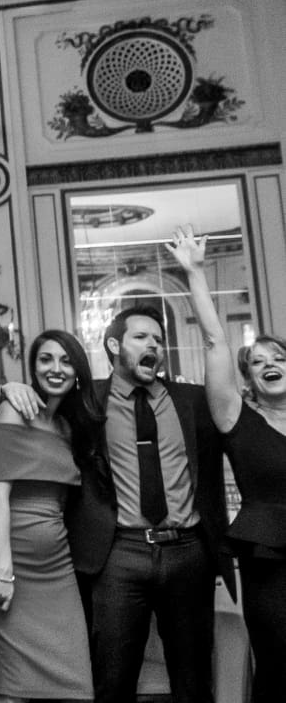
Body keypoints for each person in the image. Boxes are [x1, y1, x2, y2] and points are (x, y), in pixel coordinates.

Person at [0, 304, 232, 703]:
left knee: (193, 679)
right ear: (113, 345)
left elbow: (226, 376)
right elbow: (42, 399)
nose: (153, 345)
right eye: (141, 337)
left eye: (158, 339)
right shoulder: (86, 402)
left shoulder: (192, 401)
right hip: (119, 552)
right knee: (111, 678)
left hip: (188, 551)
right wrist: (7, 389)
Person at [168, 226, 286, 702]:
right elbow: (217, 343)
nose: (270, 363)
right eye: (258, 362)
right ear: (249, 379)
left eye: (278, 356)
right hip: (270, 556)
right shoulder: (236, 417)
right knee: (280, 663)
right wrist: (194, 272)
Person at [0, 330, 99, 703]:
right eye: (45, 359)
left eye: (65, 360)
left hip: (56, 565)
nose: (55, 368)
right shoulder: (14, 408)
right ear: (33, 367)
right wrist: (4, 570)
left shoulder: (69, 425)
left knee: (77, 685)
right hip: (8, 560)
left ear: (78, 370)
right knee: (16, 688)